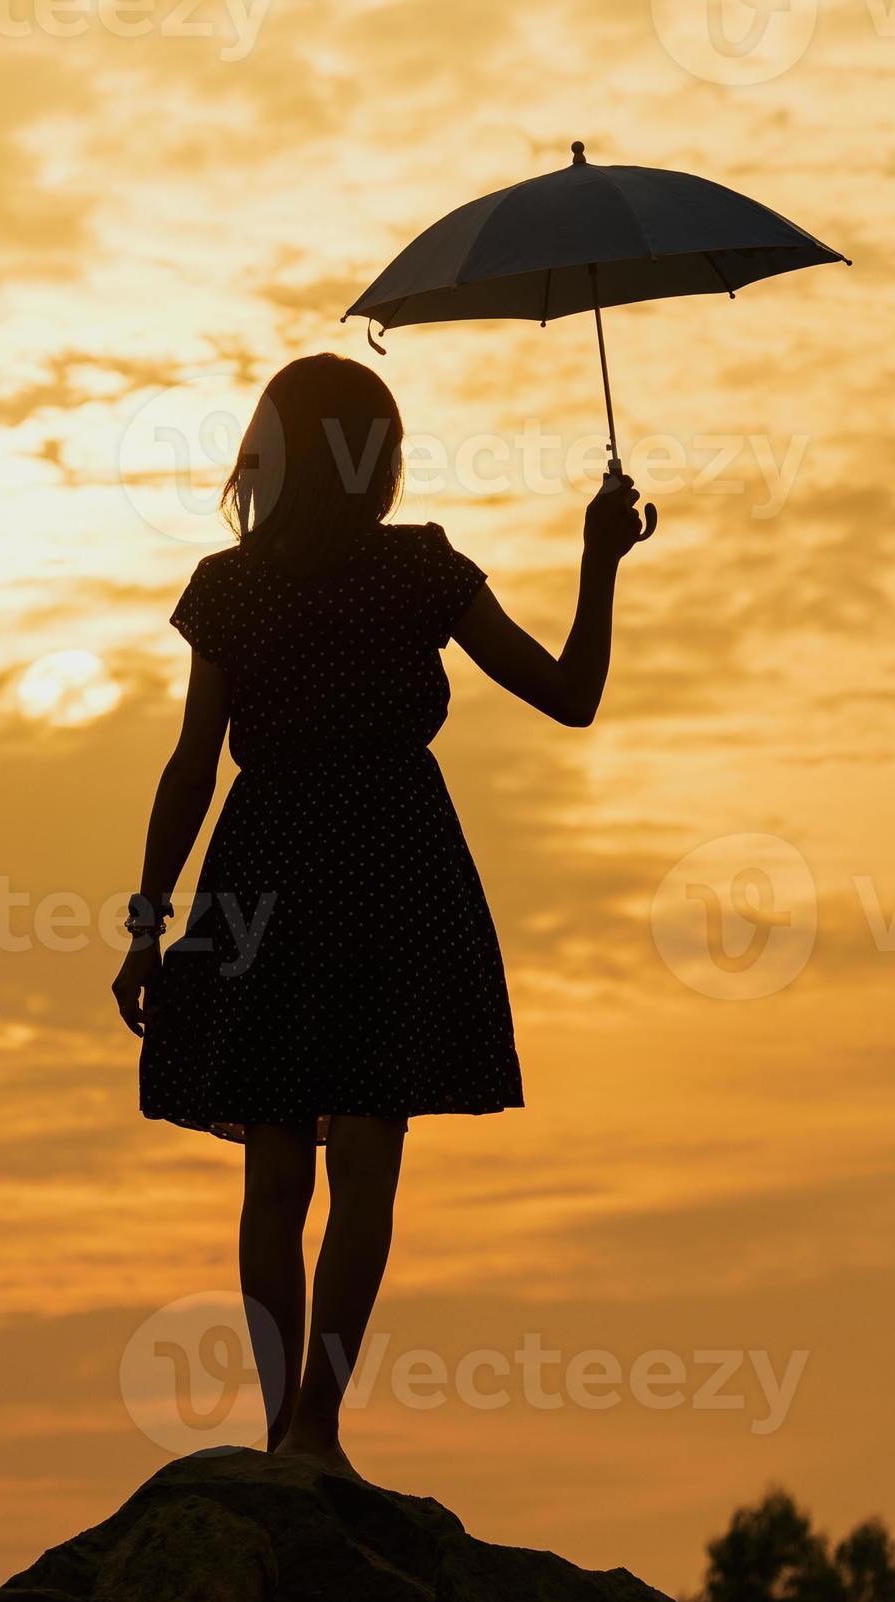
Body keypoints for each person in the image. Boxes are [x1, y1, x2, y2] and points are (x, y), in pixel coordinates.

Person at [110, 353, 656, 1474]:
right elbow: (572, 694)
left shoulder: (231, 585)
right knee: (365, 1158)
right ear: (374, 461)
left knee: (275, 1165)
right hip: (396, 862)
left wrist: (145, 925)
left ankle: (280, 1434)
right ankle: (317, 1428)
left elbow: (189, 772)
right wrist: (599, 565)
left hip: (262, 873)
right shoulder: (421, 570)